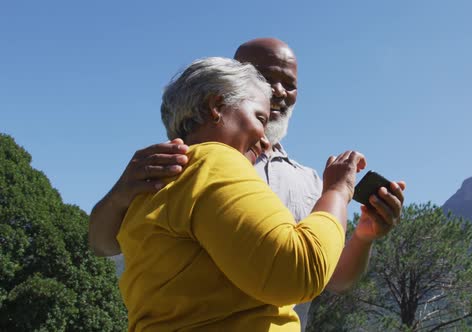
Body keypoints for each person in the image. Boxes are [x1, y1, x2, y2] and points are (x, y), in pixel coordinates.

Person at [88, 38, 405, 330]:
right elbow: (300, 271)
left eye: (290, 84)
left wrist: (363, 237)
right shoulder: (199, 162)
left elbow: (330, 275)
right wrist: (338, 191)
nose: (278, 91)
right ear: (217, 103)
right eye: (259, 113)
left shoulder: (167, 172)